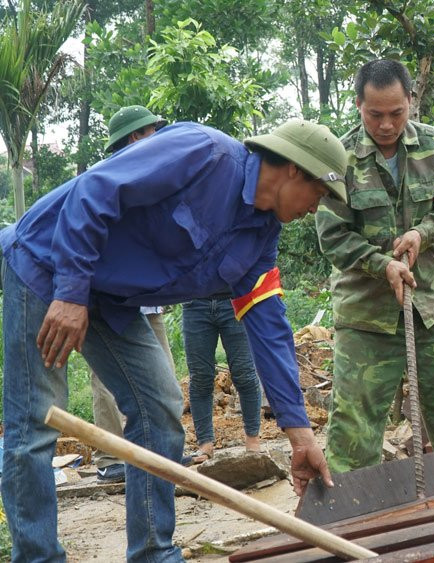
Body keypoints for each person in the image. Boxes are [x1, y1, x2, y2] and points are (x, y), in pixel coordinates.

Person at [0, 118, 342, 561]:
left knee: (160, 410)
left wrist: (301, 437)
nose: (316, 208)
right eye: (320, 194)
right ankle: (38, 557)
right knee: (35, 422)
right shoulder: (202, 153)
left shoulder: (262, 234)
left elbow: (268, 325)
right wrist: (69, 293)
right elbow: (96, 190)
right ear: (296, 169)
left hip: (110, 299)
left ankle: (152, 553)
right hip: (48, 265)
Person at [316, 59, 434, 473]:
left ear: (411, 100)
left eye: (397, 112)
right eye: (375, 114)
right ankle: (352, 528)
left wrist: (423, 233)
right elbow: (333, 236)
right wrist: (382, 265)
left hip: (429, 306)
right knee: (353, 433)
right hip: (366, 316)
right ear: (358, 104)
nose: (387, 124)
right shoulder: (338, 159)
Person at [89, 105, 174, 484]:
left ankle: (162, 454)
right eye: (154, 129)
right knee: (104, 380)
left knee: (164, 378)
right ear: (137, 135)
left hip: (146, 301)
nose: (159, 136)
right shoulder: (104, 180)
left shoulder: (155, 178)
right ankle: (110, 456)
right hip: (106, 302)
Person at [182, 293, 262, 463]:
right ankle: (205, 445)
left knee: (244, 373)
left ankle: (253, 440)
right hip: (194, 302)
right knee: (200, 377)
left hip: (235, 298)